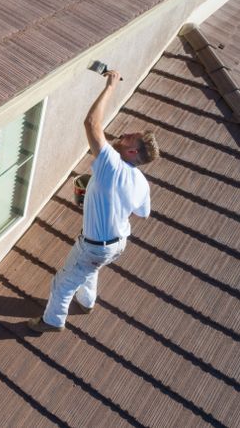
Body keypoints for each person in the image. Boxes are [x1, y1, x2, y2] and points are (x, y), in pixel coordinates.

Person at [28, 70, 160, 333]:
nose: (121, 136)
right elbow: (142, 213)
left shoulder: (112, 165)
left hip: (94, 246)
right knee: (90, 270)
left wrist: (110, 86)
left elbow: (91, 124)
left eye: (126, 138)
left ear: (132, 151)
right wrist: (106, 203)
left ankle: (52, 321)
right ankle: (87, 303)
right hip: (117, 244)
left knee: (63, 283)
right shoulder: (140, 182)